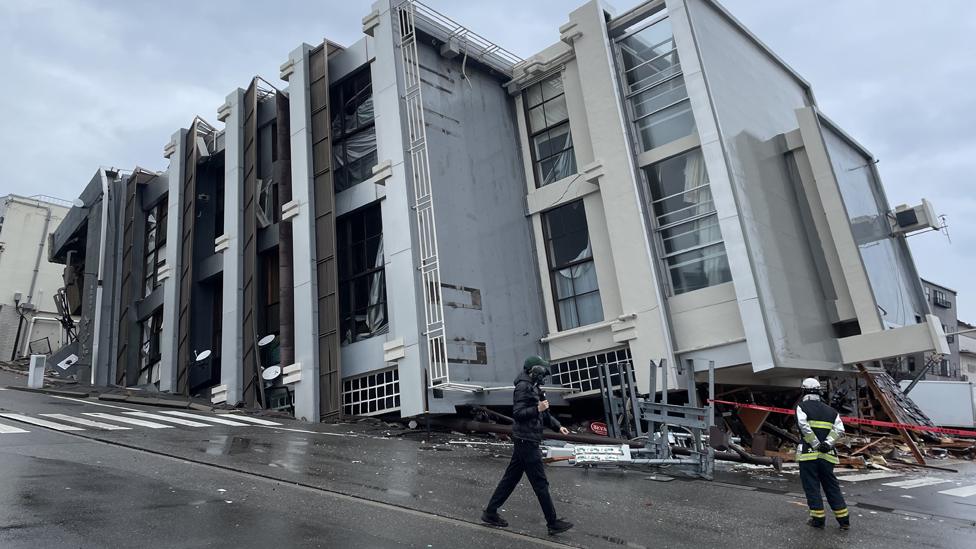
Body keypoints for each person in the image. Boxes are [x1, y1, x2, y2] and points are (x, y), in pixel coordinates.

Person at [481, 356, 574, 535]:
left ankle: (490, 512)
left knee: (510, 479)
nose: (544, 377)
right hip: (526, 440)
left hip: (526, 438)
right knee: (540, 483)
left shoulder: (533, 386)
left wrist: (558, 426)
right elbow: (519, 414)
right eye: (542, 373)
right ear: (534, 371)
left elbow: (544, 413)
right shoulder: (523, 387)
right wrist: (537, 409)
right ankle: (552, 522)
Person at [796, 377, 850, 530]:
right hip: (828, 456)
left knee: (812, 487)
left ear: (804, 391)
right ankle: (844, 520)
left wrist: (816, 444)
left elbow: (803, 426)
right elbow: (839, 430)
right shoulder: (832, 411)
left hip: (808, 454)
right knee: (831, 486)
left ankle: (818, 519)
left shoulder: (801, 407)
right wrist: (827, 444)